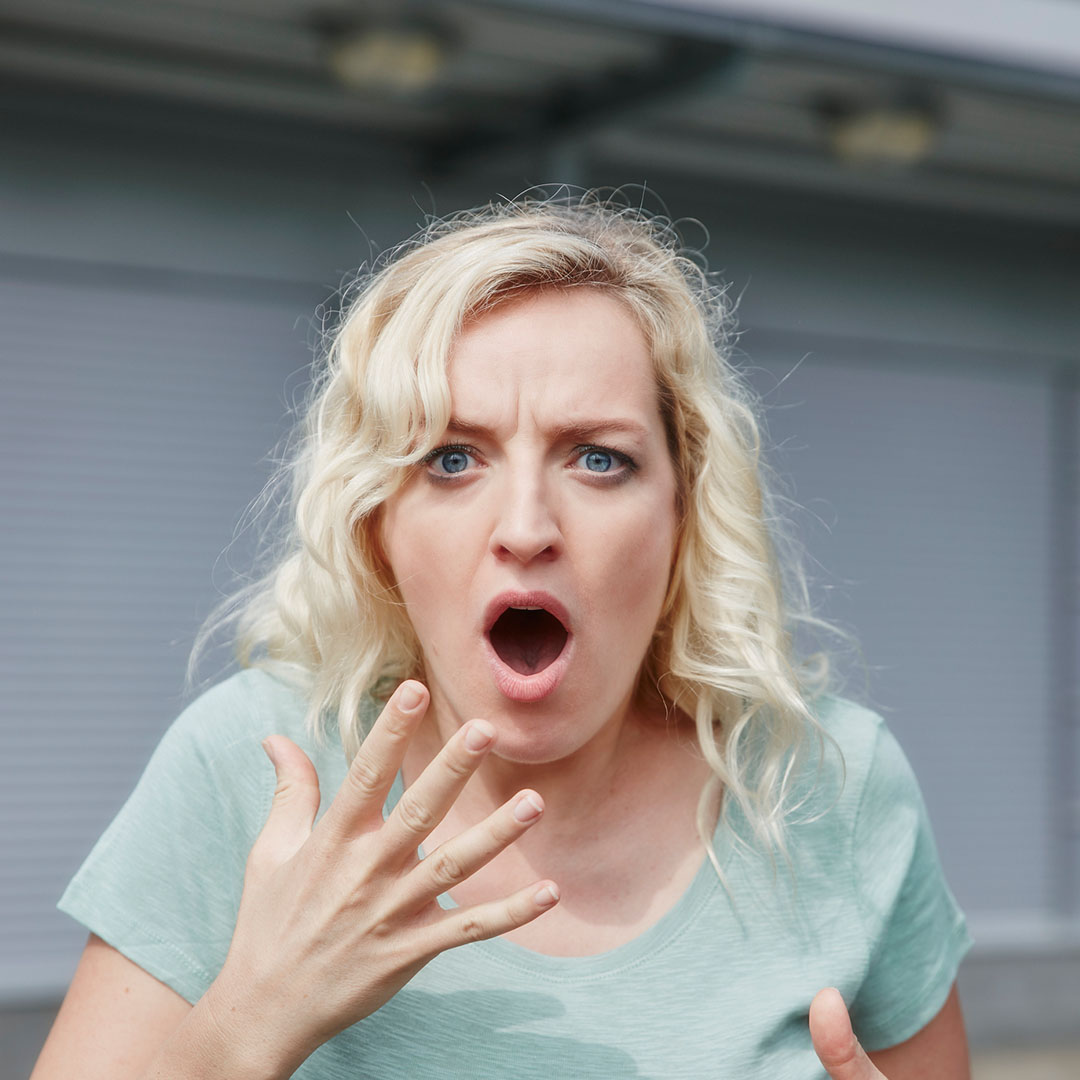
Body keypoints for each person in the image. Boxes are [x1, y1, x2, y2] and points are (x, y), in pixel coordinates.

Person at [32, 194, 972, 1079]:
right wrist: (253, 1019)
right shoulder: (252, 773)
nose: (525, 527)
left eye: (597, 458)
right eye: (451, 458)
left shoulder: (833, 784)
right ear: (377, 526)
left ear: (683, 515)